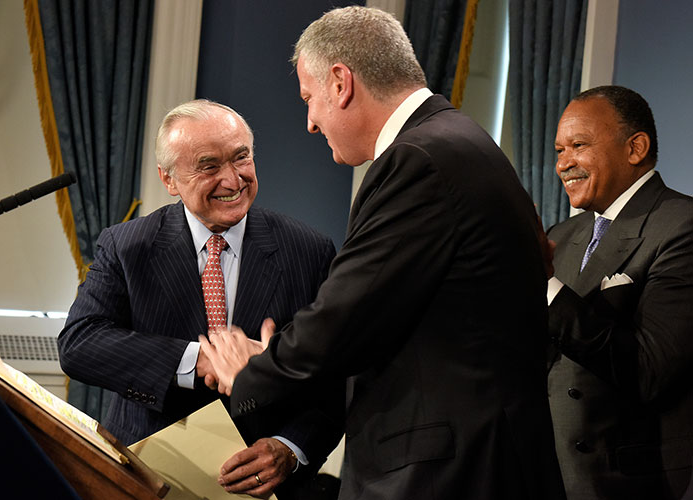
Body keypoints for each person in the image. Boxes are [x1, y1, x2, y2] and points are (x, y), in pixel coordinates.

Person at [199, 6, 566, 500]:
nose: (309, 122)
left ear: (340, 82)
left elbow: (348, 315)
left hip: (445, 475)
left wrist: (253, 371)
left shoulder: (418, 160)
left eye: (309, 99)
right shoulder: (465, 144)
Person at [57, 100, 344, 499]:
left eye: (241, 157)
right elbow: (79, 344)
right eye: (209, 166)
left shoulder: (309, 250)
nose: (233, 180)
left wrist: (290, 449)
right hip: (147, 478)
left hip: (261, 487)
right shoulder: (127, 245)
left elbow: (336, 380)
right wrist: (199, 359)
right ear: (169, 179)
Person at [547, 85, 693, 499]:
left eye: (578, 145)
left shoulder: (681, 226)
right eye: (559, 150)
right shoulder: (560, 236)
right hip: (552, 478)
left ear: (635, 148)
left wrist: (547, 288)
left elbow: (649, 371)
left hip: (635, 484)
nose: (564, 164)